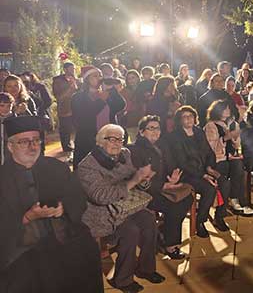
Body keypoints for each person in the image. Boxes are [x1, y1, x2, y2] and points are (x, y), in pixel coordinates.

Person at [0, 116, 103, 293]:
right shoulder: (2, 177)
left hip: (64, 235)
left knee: (87, 251)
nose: (32, 146)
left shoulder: (57, 167)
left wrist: (63, 209)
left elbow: (78, 198)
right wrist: (27, 217)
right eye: (24, 142)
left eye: (36, 140)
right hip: (21, 246)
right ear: (10, 146)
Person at [76, 124, 164, 292]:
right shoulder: (87, 165)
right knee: (131, 231)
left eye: (120, 139)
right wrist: (134, 180)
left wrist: (143, 180)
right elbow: (101, 196)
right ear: (100, 141)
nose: (117, 143)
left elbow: (134, 180)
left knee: (148, 219)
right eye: (112, 139)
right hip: (100, 213)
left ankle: (145, 269)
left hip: (125, 207)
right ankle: (122, 280)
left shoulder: (124, 154)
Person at [128, 115, 192, 259]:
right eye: (151, 128)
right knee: (175, 206)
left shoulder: (161, 146)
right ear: (141, 131)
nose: (155, 131)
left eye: (157, 128)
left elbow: (172, 164)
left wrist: (173, 177)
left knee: (187, 198)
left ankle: (164, 230)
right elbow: (140, 180)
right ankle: (170, 245)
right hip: (146, 192)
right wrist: (163, 185)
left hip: (164, 187)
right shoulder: (135, 150)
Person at [167, 106, 227, 237]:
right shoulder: (175, 137)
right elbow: (182, 163)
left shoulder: (199, 132)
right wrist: (203, 175)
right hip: (187, 174)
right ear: (179, 120)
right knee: (209, 189)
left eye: (190, 116)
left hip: (203, 169)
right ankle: (200, 221)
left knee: (223, 182)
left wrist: (210, 168)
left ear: (195, 118)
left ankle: (219, 216)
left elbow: (209, 152)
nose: (188, 119)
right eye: (184, 117)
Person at [204, 100, 253, 219]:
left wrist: (235, 138)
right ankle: (223, 208)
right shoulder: (211, 126)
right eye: (225, 109)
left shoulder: (233, 124)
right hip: (217, 158)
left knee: (239, 166)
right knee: (225, 170)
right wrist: (225, 138)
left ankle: (235, 199)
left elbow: (237, 146)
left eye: (228, 108)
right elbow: (210, 148)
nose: (228, 110)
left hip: (230, 156)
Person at [71, 66, 126, 167]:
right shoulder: (78, 97)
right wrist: (101, 101)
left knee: (109, 164)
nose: (99, 78)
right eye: (95, 76)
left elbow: (121, 105)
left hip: (109, 136)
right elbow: (84, 116)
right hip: (88, 137)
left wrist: (112, 90)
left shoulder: (106, 93)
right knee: (88, 165)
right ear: (87, 79)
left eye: (100, 75)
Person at [52, 61, 79, 152]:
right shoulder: (58, 80)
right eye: (71, 69)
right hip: (64, 108)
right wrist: (70, 89)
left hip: (76, 106)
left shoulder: (76, 79)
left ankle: (77, 143)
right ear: (65, 69)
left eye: (73, 69)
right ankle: (66, 146)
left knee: (77, 126)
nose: (73, 70)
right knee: (65, 128)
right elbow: (58, 96)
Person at [121, 70, 144, 138]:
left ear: (138, 78)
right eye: (129, 78)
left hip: (144, 120)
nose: (131, 80)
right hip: (130, 121)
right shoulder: (124, 91)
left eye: (133, 77)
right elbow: (126, 107)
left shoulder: (144, 89)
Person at [0, 92, 15, 165]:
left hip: (11, 158)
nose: (5, 109)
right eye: (2, 105)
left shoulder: (15, 120)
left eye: (9, 106)